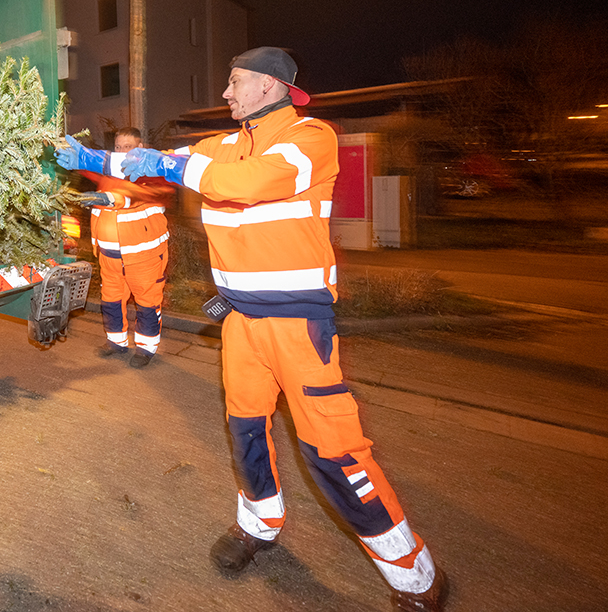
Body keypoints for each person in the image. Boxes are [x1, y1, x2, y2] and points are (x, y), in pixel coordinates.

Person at [55, 47, 448, 612]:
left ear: (268, 85)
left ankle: (415, 576)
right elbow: (153, 168)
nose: (225, 93)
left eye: (235, 82)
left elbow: (250, 183)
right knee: (245, 433)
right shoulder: (222, 145)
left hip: (297, 325)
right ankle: (259, 526)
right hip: (240, 322)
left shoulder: (311, 137)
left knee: (333, 453)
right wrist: (87, 158)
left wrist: (164, 166)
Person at [72, 127, 175, 368]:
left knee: (147, 301)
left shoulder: (151, 172)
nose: (121, 151)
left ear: (140, 147)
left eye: (127, 146)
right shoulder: (109, 174)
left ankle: (146, 348)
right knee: (111, 299)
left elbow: (140, 195)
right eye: (118, 147)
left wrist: (110, 199)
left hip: (143, 254)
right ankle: (116, 342)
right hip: (109, 255)